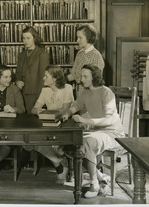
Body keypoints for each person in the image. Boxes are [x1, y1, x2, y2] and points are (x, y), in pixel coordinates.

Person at [62, 64, 125, 198]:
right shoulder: (85, 92)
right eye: (81, 76)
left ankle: (94, 183)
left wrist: (85, 121)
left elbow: (109, 120)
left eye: (85, 77)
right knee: (71, 142)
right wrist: (67, 113)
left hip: (112, 133)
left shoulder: (106, 92)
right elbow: (76, 106)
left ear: (94, 77)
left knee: (86, 143)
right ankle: (101, 177)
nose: (81, 79)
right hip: (97, 131)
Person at [16, 26, 50, 114]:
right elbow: (18, 73)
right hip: (20, 94)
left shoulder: (42, 54)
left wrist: (39, 99)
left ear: (34, 38)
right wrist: (17, 81)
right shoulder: (21, 55)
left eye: (28, 38)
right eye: (23, 38)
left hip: (35, 95)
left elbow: (43, 79)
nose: (25, 41)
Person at [66, 24, 104, 97]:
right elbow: (74, 74)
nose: (77, 40)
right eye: (77, 37)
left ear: (89, 38)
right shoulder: (80, 54)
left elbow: (95, 80)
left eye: (80, 38)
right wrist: (61, 79)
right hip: (80, 94)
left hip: (91, 95)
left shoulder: (96, 56)